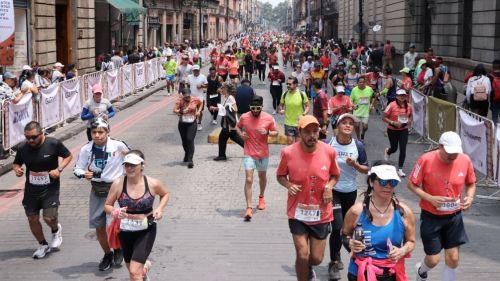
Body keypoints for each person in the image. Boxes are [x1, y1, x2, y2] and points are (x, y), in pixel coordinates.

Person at [276, 115, 340, 281]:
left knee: (316, 259)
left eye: (315, 131)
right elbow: (280, 176)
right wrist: (289, 185)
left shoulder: (329, 151)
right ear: (300, 133)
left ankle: (307, 267)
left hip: (321, 211)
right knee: (302, 255)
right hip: (297, 211)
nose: (312, 135)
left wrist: (329, 187)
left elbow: (335, 175)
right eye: (308, 132)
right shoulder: (288, 152)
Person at [408, 131, 476, 281]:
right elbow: (411, 184)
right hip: (431, 216)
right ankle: (421, 271)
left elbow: (471, 182)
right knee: (433, 259)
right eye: (449, 153)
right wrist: (429, 198)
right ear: (439, 147)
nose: (453, 157)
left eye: (456, 153)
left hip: (454, 217)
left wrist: (469, 197)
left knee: (453, 259)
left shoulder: (465, 160)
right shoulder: (425, 159)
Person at [343, 161, 415, 281]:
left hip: (391, 274)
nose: (388, 186)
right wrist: (350, 242)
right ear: (371, 182)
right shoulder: (356, 211)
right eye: (383, 181)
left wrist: (402, 250)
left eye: (393, 182)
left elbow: (411, 242)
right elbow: (344, 234)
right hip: (360, 273)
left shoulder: (404, 212)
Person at [104, 150, 170, 281]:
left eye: (133, 165)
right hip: (125, 230)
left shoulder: (152, 183)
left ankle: (140, 273)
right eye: (126, 165)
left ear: (142, 165)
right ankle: (144, 270)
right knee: (132, 270)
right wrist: (115, 211)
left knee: (134, 272)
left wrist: (160, 208)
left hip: (146, 230)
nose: (129, 168)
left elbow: (165, 194)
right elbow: (107, 205)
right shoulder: (118, 184)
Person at [73, 118, 128, 270]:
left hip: (115, 190)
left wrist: (127, 179)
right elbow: (77, 169)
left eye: (100, 132)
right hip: (97, 190)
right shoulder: (86, 149)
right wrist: (84, 173)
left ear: (108, 132)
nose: (97, 135)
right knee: (99, 226)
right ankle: (107, 254)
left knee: (114, 224)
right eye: (94, 132)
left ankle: (117, 248)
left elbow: (131, 160)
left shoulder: (118, 145)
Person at [12, 121, 73, 258]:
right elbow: (16, 163)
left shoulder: (53, 144)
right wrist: (17, 169)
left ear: (42, 133)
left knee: (48, 218)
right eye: (27, 137)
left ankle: (55, 229)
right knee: (32, 218)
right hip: (31, 189)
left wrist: (59, 169)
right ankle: (43, 245)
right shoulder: (23, 148)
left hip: (50, 187)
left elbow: (68, 156)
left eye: (34, 137)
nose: (30, 140)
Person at [325, 113, 369, 280]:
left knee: (346, 227)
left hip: (350, 191)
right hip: (333, 190)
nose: (348, 125)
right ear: (338, 125)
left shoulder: (358, 145)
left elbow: (366, 168)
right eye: (345, 122)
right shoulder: (328, 143)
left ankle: (340, 252)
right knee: (336, 227)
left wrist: (355, 165)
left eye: (351, 123)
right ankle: (334, 262)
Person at [235, 95, 278, 221]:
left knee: (262, 177)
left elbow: (276, 132)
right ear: (250, 107)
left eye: (257, 108)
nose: (254, 110)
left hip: (263, 153)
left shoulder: (269, 118)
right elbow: (237, 126)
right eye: (252, 108)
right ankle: (248, 207)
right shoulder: (244, 117)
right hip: (249, 152)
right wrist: (241, 134)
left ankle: (261, 197)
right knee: (248, 179)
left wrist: (268, 133)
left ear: (261, 107)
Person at [383, 89, 412, 177]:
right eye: (400, 95)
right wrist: (393, 123)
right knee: (394, 148)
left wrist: (409, 121)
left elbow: (410, 116)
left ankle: (400, 169)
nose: (402, 97)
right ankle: (388, 151)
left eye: (403, 95)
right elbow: (384, 117)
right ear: (396, 96)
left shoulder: (409, 106)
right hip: (392, 129)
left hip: (403, 130)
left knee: (403, 149)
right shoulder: (391, 105)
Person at [213, 82, 244, 161]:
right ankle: (222, 155)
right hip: (227, 123)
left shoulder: (230, 97)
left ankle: (222, 155)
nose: (221, 89)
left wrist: (228, 108)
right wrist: (216, 108)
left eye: (222, 88)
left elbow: (235, 109)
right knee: (230, 138)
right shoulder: (227, 98)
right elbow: (224, 109)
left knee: (223, 138)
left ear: (226, 89)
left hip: (229, 124)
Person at [173, 88, 203, 169]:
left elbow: (201, 103)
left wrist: (199, 111)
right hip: (182, 123)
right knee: (184, 141)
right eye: (185, 97)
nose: (187, 98)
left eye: (188, 96)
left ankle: (190, 160)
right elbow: (174, 110)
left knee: (190, 140)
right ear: (183, 95)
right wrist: (181, 112)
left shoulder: (195, 99)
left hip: (192, 123)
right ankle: (186, 154)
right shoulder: (180, 101)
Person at [279, 76, 310, 145]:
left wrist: (303, 114)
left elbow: (308, 106)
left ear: (296, 84)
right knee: (289, 143)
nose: (288, 85)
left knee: (298, 144)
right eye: (287, 84)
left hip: (299, 123)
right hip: (288, 122)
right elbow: (281, 105)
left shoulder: (302, 94)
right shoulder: (285, 94)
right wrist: (281, 110)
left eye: (290, 84)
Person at [350, 77, 375, 142]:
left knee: (365, 127)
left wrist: (372, 104)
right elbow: (351, 101)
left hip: (365, 111)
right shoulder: (354, 90)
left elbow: (374, 97)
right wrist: (353, 106)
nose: (362, 83)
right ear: (357, 83)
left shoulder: (369, 89)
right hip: (357, 110)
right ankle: (358, 138)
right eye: (360, 82)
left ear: (365, 83)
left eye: (363, 82)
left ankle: (362, 134)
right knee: (357, 126)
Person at [187, 64, 208, 131]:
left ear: (199, 70)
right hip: (192, 97)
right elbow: (187, 85)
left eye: (197, 70)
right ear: (193, 71)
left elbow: (207, 85)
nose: (196, 71)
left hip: (200, 97)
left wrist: (202, 86)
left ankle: (199, 123)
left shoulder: (203, 77)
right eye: (194, 70)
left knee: (200, 111)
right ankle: (194, 122)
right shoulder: (189, 77)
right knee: (192, 110)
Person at [488, 60, 500, 125]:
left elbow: (489, 89)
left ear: (493, 66)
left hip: (494, 100)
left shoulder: (490, 76)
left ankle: (494, 131)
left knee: (494, 116)